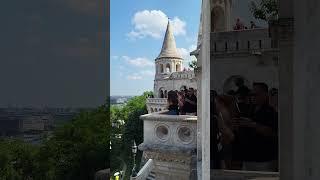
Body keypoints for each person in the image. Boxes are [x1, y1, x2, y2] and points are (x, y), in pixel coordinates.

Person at [236, 82, 278, 171]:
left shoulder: (270, 112)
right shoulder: (250, 109)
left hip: (264, 158)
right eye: (252, 94)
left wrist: (252, 124)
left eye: (256, 94)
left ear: (265, 94)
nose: (253, 97)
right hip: (248, 156)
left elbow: (272, 132)